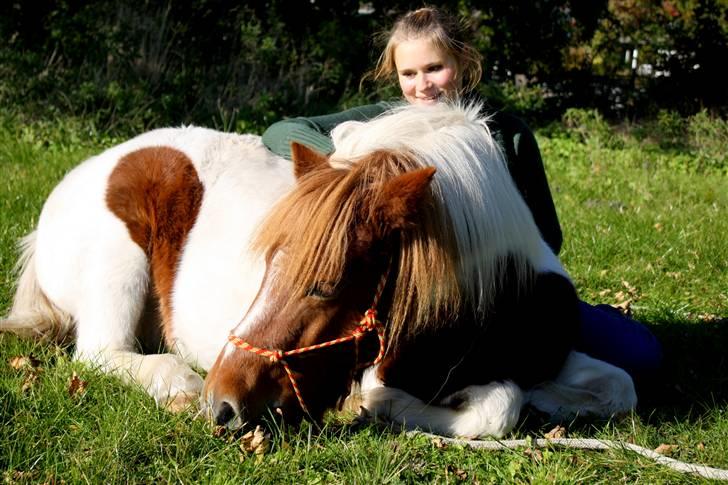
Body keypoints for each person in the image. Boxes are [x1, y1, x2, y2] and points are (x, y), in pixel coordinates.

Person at [261, 7, 661, 379]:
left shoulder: (506, 132)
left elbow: (548, 236)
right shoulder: (384, 121)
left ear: (462, 63)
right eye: (408, 73)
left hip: (504, 292)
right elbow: (280, 130)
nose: (421, 86)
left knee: (642, 355)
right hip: (416, 300)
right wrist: (343, 157)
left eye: (434, 68)